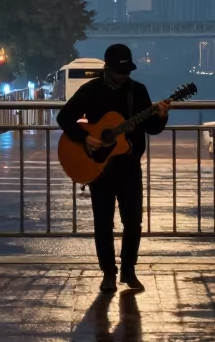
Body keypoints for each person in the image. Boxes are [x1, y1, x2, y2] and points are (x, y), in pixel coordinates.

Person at [57, 44, 169, 293]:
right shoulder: (90, 90)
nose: (123, 76)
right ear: (106, 69)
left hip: (129, 167)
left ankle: (129, 270)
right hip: (99, 167)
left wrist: (161, 116)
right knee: (102, 223)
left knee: (133, 222)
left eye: (127, 71)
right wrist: (84, 137)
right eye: (119, 71)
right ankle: (108, 273)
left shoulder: (137, 91)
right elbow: (63, 118)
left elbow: (150, 128)